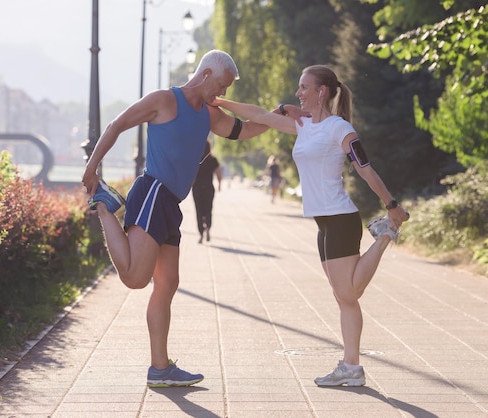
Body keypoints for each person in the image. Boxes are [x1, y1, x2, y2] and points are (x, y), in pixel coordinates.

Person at [81, 50, 305, 388]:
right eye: (222, 86)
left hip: (171, 204)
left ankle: (160, 368)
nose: (223, 94)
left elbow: (243, 131)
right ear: (206, 74)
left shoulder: (209, 115)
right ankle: (103, 205)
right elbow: (118, 125)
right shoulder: (164, 100)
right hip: (153, 191)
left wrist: (276, 116)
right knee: (135, 278)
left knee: (167, 284)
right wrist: (92, 167)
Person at [213, 64, 409, 387]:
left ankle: (386, 233)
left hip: (341, 219)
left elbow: (364, 167)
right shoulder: (303, 126)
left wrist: (391, 204)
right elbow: (259, 115)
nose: (298, 93)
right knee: (344, 298)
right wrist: (221, 103)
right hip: (324, 224)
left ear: (321, 92)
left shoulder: (339, 128)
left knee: (349, 292)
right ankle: (351, 367)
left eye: (304, 87)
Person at [192, 140, 222, 244]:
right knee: (208, 209)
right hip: (209, 187)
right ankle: (208, 228)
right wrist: (219, 184)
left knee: (199, 210)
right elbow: (218, 173)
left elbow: (189, 173)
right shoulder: (213, 160)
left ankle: (201, 233)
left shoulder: (195, 159)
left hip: (197, 187)